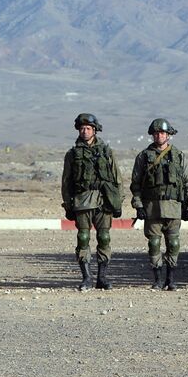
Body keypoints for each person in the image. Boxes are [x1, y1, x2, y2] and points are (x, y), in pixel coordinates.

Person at [61, 113, 121, 290]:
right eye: (82, 128)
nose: (84, 131)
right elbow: (66, 182)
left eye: (88, 128)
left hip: (103, 201)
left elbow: (117, 179)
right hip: (82, 200)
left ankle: (102, 277)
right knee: (83, 238)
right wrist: (68, 204)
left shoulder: (106, 151)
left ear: (94, 130)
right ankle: (86, 277)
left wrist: (118, 202)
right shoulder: (72, 154)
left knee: (104, 238)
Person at [130, 118, 188, 290]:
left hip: (173, 207)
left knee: (173, 244)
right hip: (152, 208)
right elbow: (135, 184)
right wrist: (139, 205)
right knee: (154, 244)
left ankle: (171, 279)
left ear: (169, 135)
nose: (159, 136)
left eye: (162, 133)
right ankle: (157, 279)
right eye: (156, 133)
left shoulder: (178, 156)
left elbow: (187, 183)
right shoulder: (143, 156)